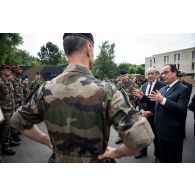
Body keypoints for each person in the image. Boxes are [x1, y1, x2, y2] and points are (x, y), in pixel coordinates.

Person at [10, 33, 151, 163]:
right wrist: (116, 153)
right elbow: (142, 138)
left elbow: (17, 121)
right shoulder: (107, 90)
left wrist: (46, 140)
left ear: (67, 52)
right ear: (89, 48)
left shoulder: (44, 89)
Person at [149, 64, 190, 163]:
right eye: (162, 73)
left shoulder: (183, 89)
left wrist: (163, 100)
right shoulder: (163, 89)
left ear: (175, 73)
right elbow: (157, 106)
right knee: (163, 159)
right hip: (160, 132)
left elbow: (181, 109)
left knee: (173, 160)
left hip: (172, 134)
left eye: (166, 72)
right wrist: (143, 97)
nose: (163, 75)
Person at [132, 67, 165, 161]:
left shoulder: (162, 86)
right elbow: (140, 100)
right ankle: (143, 152)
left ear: (156, 75)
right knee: (143, 135)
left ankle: (158, 155)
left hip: (155, 116)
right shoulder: (143, 86)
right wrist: (142, 110)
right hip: (143, 115)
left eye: (152, 73)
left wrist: (151, 112)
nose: (150, 76)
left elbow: (159, 103)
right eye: (148, 74)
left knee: (156, 137)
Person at [0, 65, 17, 155]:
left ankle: (9, 142)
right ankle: (5, 148)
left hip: (11, 109)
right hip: (4, 111)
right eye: (7, 70)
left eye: (10, 70)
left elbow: (11, 96)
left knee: (9, 128)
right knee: (5, 130)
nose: (9, 71)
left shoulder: (9, 82)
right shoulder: (1, 82)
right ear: (2, 71)